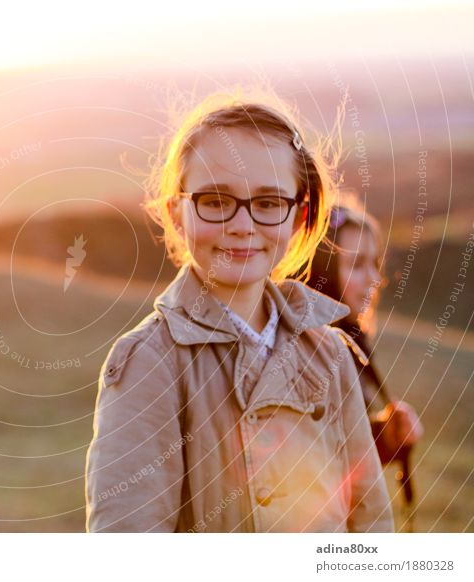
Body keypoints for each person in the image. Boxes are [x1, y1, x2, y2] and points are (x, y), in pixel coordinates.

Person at [84, 91, 394, 532]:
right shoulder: (148, 363)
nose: (243, 226)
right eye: (215, 200)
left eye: (269, 203)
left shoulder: (331, 353)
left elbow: (371, 520)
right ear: (177, 213)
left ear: (299, 216)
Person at [306, 199, 423, 528]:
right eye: (356, 265)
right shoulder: (313, 348)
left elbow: (338, 445)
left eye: (375, 263)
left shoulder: (349, 337)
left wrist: (383, 435)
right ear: (321, 270)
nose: (374, 278)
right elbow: (311, 457)